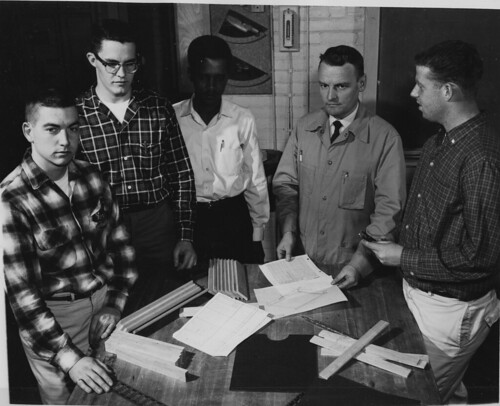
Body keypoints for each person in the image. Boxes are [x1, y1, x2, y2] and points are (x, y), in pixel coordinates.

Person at [362, 40, 500, 404]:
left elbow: (481, 257)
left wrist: (402, 257)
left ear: (448, 90)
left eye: (421, 85)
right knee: (445, 394)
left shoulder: (481, 157)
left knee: (411, 396)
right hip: (416, 296)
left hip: (449, 313)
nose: (413, 92)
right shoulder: (439, 142)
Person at [1, 87, 137, 404]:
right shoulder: (12, 199)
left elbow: (122, 249)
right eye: (52, 129)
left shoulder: (92, 177)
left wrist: (114, 303)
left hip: (106, 308)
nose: (65, 140)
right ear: (28, 131)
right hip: (54, 320)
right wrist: (71, 359)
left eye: (73, 128)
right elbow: (24, 299)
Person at [272, 45, 406, 288]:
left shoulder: (385, 138)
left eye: (341, 86)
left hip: (354, 271)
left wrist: (358, 265)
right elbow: (285, 184)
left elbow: (389, 212)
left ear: (361, 83)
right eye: (324, 86)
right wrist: (288, 231)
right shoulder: (304, 128)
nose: (330, 96)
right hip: (301, 263)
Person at [77, 19, 197, 283]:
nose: (121, 74)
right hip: (105, 227)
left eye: (130, 64)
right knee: (115, 304)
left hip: (157, 224)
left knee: (166, 297)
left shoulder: (158, 107)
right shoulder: (77, 115)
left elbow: (182, 175)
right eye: (111, 64)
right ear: (92, 59)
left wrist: (185, 236)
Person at [174, 35, 269, 266]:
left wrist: (257, 236)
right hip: (190, 222)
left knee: (239, 291)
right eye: (204, 78)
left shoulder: (242, 118)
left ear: (227, 78)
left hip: (232, 219)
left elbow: (255, 178)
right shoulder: (172, 117)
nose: (211, 87)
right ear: (191, 76)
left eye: (219, 79)